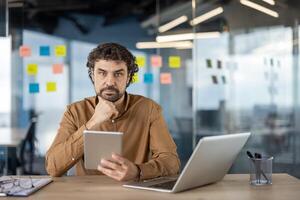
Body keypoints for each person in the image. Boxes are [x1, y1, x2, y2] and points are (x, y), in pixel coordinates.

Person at [45, 43, 180, 181]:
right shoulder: (75, 111)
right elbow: (53, 167)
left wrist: (138, 171)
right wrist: (92, 122)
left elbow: (171, 162)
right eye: (102, 73)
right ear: (92, 75)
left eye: (118, 74)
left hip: (134, 193)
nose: (110, 82)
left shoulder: (149, 109)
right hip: (87, 193)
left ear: (128, 77)